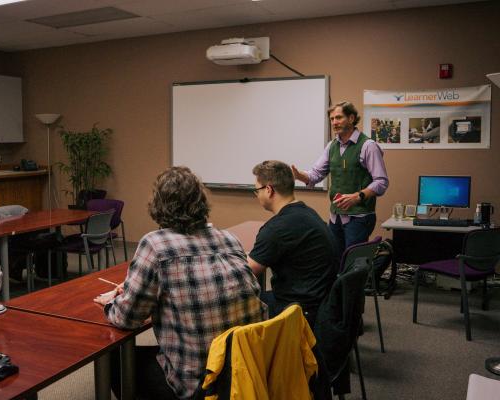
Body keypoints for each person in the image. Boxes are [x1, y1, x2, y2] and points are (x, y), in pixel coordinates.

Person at [94, 166, 267, 400]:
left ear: (158, 206)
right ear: (201, 201)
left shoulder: (155, 245)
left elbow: (127, 318)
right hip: (244, 373)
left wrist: (113, 302)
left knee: (117, 358)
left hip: (201, 384)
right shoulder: (229, 240)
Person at [247, 160, 337, 326]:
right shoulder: (308, 213)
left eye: (256, 190)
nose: (256, 195)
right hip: (323, 304)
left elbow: (246, 272)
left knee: (242, 304)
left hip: (298, 311)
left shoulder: (277, 228)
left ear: (268, 190)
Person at [292, 101, 389, 254]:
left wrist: (358, 196)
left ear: (351, 118)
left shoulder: (368, 146)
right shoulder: (332, 146)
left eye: (338, 118)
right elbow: (316, 174)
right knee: (335, 260)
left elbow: (381, 182)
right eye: (332, 119)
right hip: (335, 216)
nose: (334, 122)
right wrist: (299, 176)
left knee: (352, 265)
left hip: (359, 217)